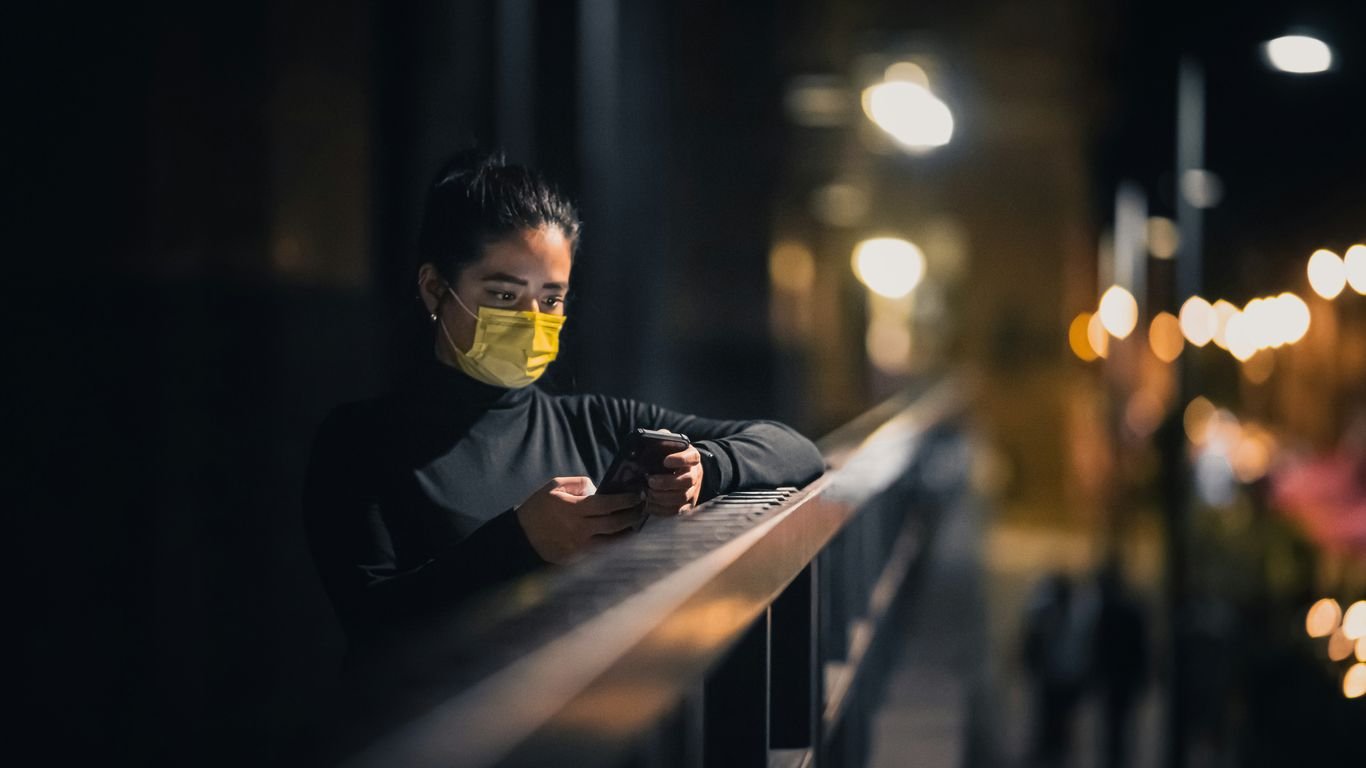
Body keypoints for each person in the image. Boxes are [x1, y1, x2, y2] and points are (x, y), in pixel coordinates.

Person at [303, 150, 825, 660]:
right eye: (505, 295)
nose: (532, 318)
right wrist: (520, 543)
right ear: (436, 289)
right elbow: (373, 628)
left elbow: (794, 449)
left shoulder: (595, 423)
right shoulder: (359, 441)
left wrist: (704, 469)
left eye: (551, 298)